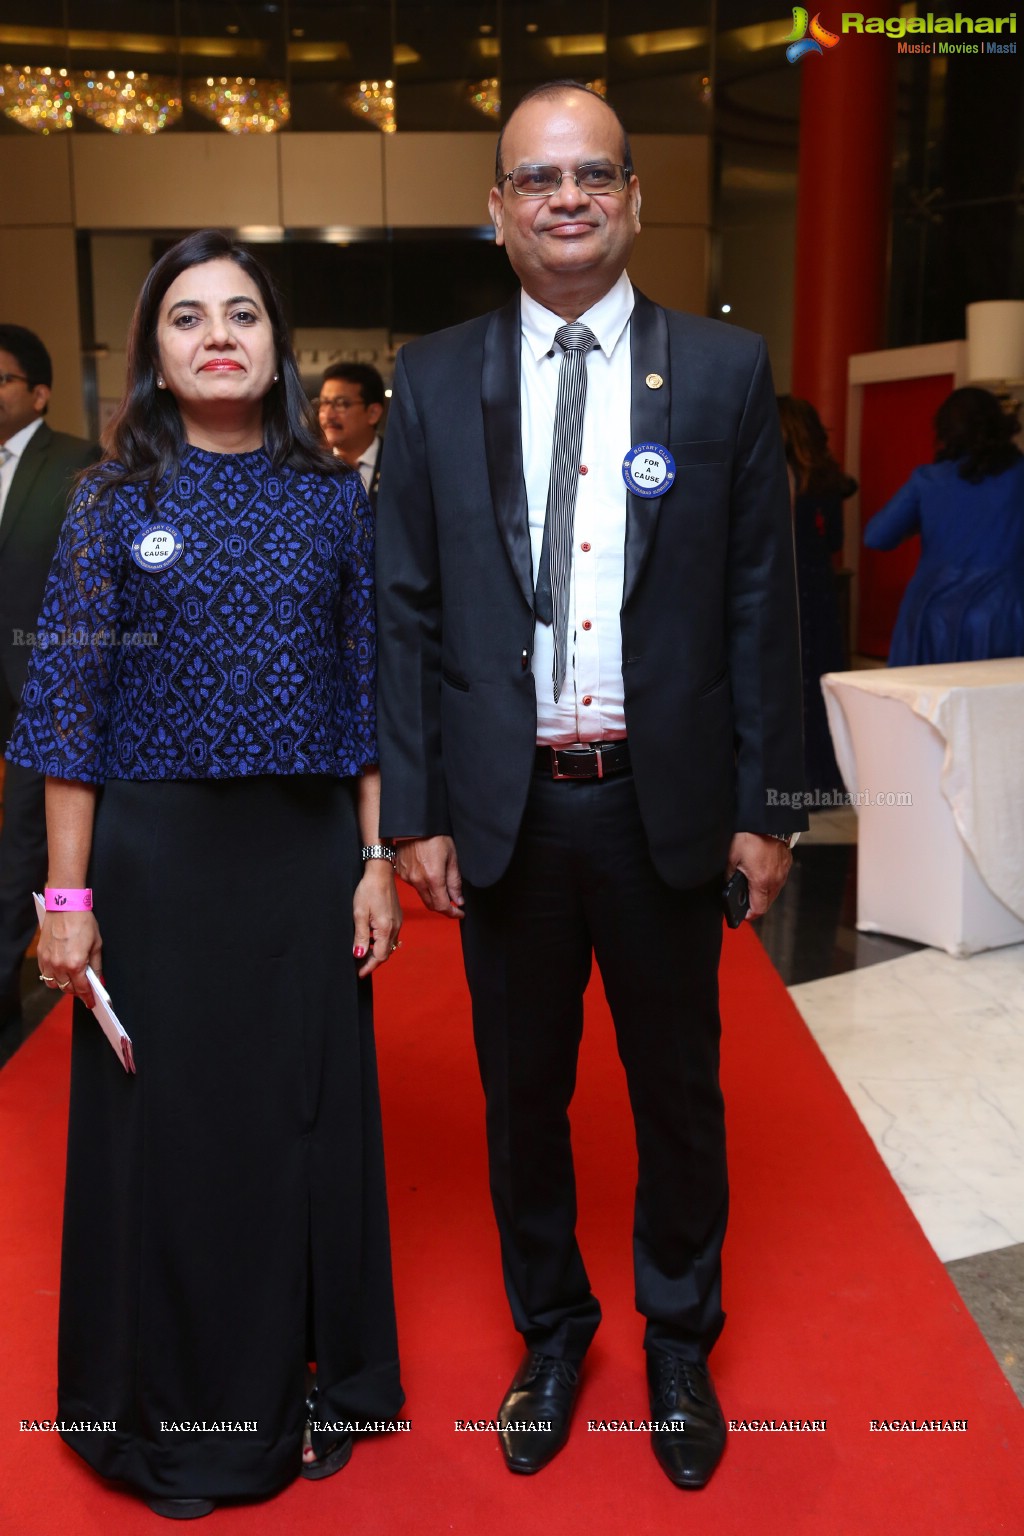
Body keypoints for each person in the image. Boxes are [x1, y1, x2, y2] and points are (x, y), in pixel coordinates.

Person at [375, 81, 805, 1491]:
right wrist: (417, 811)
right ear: (496, 211)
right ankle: (553, 1330)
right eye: (538, 180)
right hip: (506, 806)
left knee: (680, 1090)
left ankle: (678, 1335)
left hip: (661, 799)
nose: (568, 198)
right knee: (522, 1094)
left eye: (595, 175)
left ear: (630, 200)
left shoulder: (728, 373)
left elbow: (760, 604)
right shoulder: (433, 379)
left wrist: (768, 802)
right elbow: (410, 610)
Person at [6, 230, 404, 1519]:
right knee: (169, 1140)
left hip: (298, 865)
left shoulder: (332, 498)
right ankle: (173, 1401)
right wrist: (66, 902)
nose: (218, 334)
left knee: (293, 1127)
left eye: (242, 311)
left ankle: (303, 1380)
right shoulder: (111, 499)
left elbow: (365, 699)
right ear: (154, 352)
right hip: (158, 864)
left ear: (277, 341)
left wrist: (372, 860)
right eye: (188, 317)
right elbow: (69, 712)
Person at [0, 325, 96, 1035]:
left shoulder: (79, 463)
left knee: (24, 841)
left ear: (39, 392)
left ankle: (4, 982)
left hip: (42, 684)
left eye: (2, 379)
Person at [863, 386, 1024, 666]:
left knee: (926, 705)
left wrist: (920, 522)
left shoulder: (928, 480)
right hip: (1003, 612)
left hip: (932, 613)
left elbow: (877, 537)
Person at [777, 395, 856, 799]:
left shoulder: (766, 471)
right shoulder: (825, 476)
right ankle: (824, 778)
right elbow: (837, 540)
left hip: (778, 582)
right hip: (817, 583)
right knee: (821, 673)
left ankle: (784, 778)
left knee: (780, 675)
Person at [316, 362, 386, 507]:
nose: (328, 415)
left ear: (373, 413)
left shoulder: (400, 464)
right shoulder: (310, 467)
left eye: (341, 404)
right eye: (324, 403)